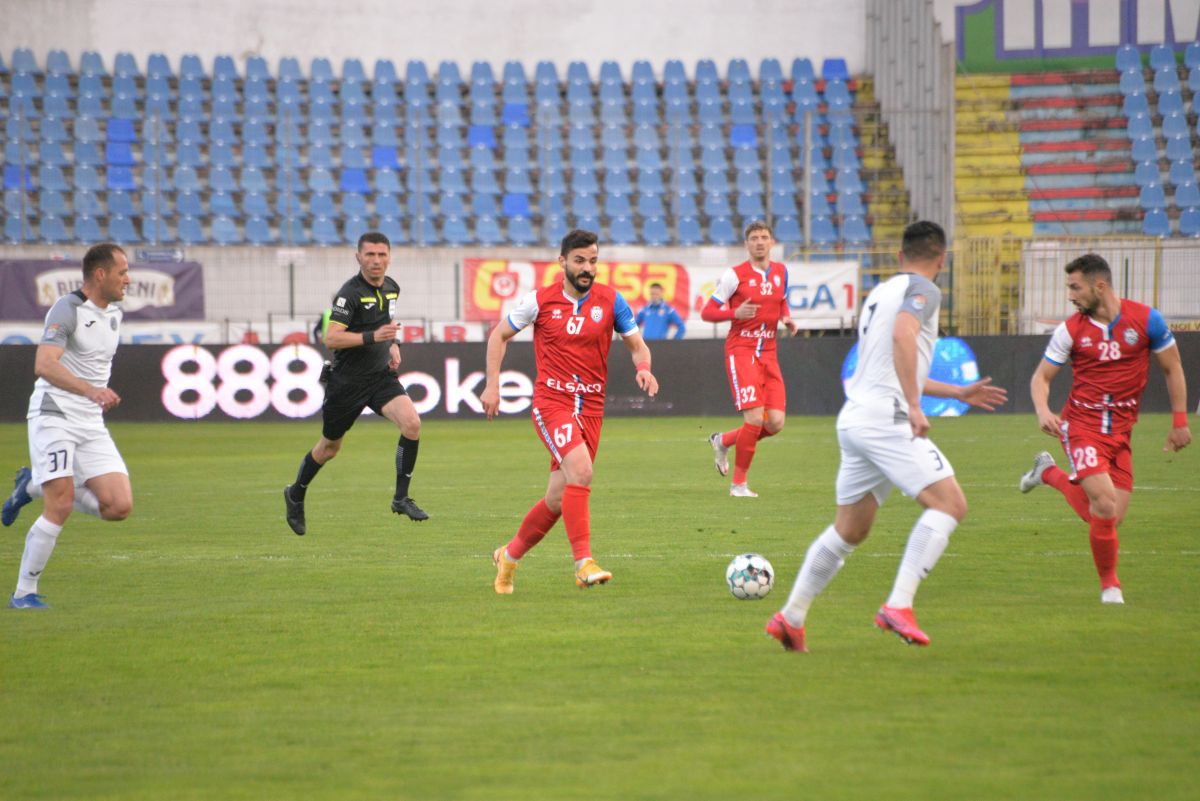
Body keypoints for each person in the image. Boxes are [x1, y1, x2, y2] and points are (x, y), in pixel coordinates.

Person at [766, 221, 1008, 651]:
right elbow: (903, 336)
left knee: (849, 530)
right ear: (942, 259)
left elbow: (890, 359)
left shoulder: (880, 292)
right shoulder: (925, 290)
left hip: (856, 417)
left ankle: (792, 616)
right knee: (950, 504)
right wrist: (915, 405)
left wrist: (955, 391)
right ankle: (899, 605)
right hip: (885, 418)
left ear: (899, 256)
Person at [481, 229, 659, 594]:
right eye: (579, 261)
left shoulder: (611, 301)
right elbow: (498, 335)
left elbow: (637, 346)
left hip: (591, 409)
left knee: (558, 498)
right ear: (561, 262)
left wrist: (643, 368)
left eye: (593, 261)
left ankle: (509, 556)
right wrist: (492, 385)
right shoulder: (540, 301)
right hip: (553, 403)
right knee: (581, 470)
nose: (587, 268)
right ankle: (583, 564)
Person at [1020, 253, 1190, 604]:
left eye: (1075, 287)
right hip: (1081, 426)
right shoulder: (1070, 330)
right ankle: (1110, 587)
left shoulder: (1146, 320)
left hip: (1121, 434)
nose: (1070, 295)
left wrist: (1179, 423)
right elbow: (1042, 376)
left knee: (1109, 515)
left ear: (1100, 286)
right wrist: (1042, 409)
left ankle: (1048, 473)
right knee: (1105, 503)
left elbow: (1173, 368)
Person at [2, 243, 134, 609]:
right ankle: (24, 593)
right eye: (122, 271)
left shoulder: (115, 313)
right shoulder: (68, 309)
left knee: (119, 506)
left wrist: (93, 396)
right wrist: (92, 390)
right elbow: (44, 364)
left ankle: (31, 485)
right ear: (100, 274)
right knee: (59, 504)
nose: (129, 278)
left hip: (89, 420)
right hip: (54, 413)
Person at [283, 231, 428, 535]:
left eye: (381, 255)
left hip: (379, 378)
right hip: (347, 384)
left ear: (389, 257)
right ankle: (296, 492)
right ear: (358, 257)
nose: (376, 261)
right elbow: (331, 337)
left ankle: (401, 498)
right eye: (370, 255)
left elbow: (386, 323)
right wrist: (372, 338)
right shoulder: (348, 293)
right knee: (329, 448)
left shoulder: (391, 288)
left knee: (412, 423)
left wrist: (393, 344)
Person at [701, 220, 798, 497]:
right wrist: (735, 313)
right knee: (754, 418)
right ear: (746, 244)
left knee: (775, 422)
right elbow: (707, 312)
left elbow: (781, 301)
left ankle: (723, 441)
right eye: (754, 238)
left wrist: (786, 318)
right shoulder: (735, 275)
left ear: (771, 242)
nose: (759, 242)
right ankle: (738, 485)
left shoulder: (781, 272)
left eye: (764, 237)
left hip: (769, 352)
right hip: (742, 351)